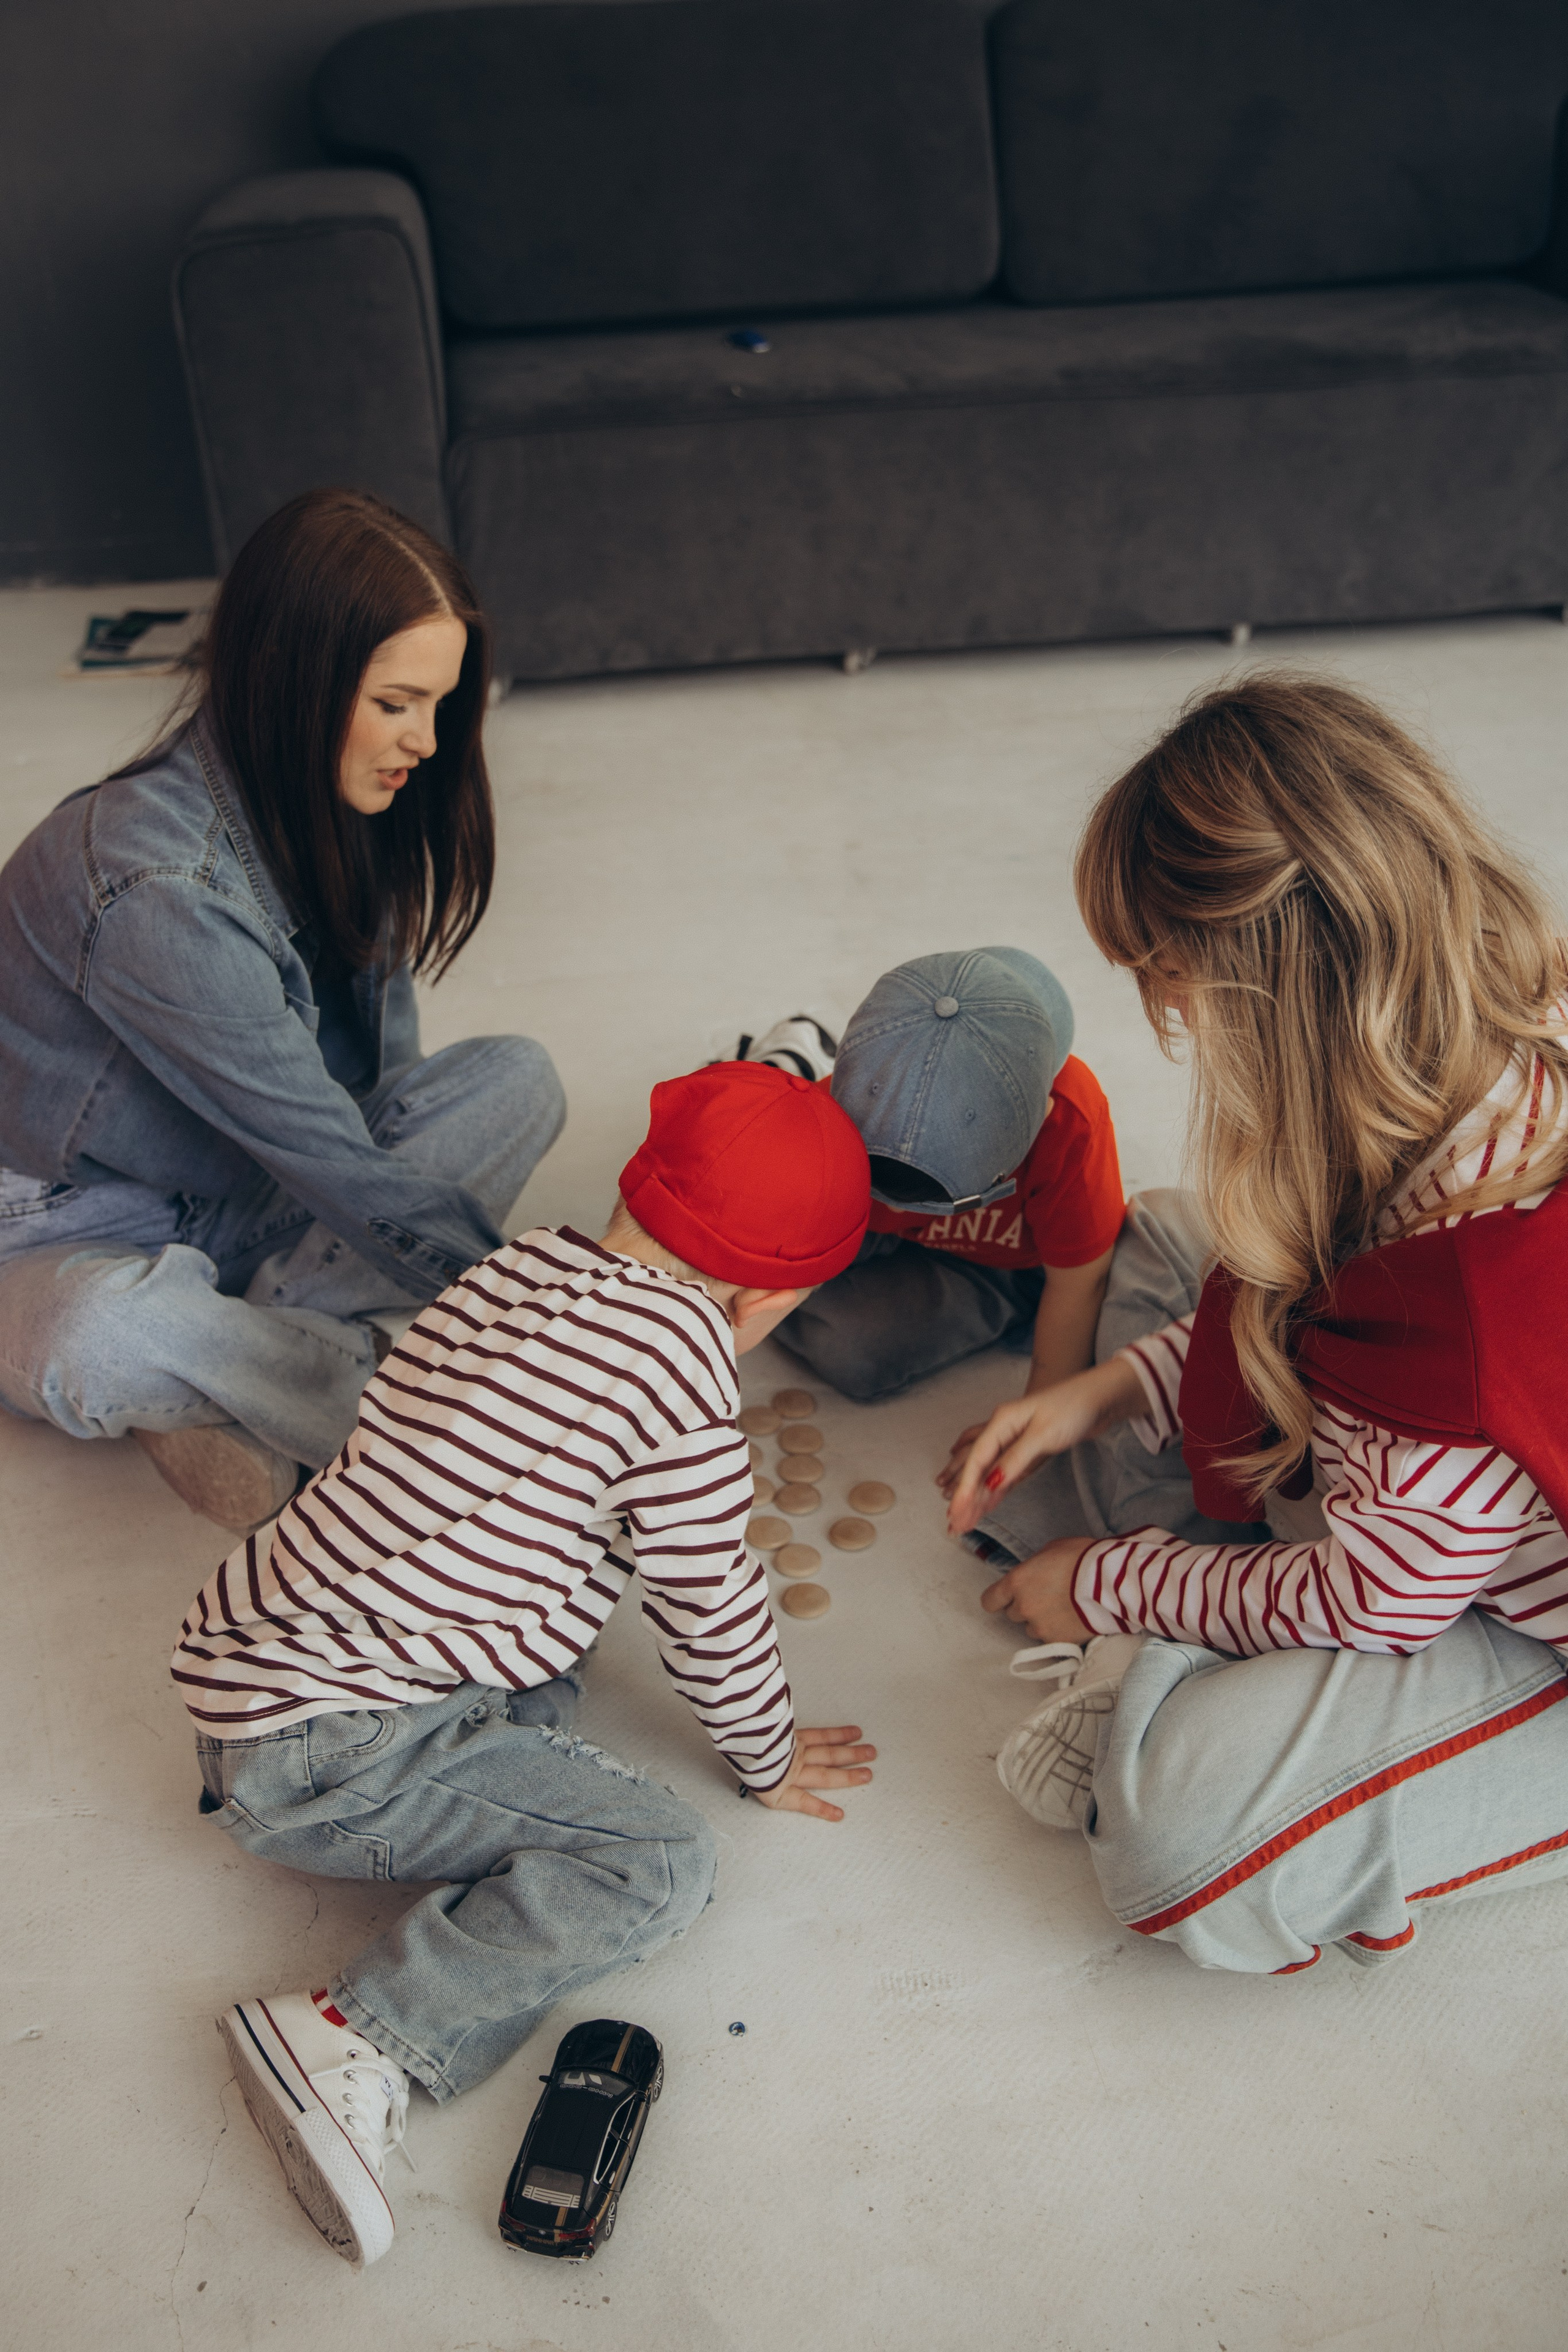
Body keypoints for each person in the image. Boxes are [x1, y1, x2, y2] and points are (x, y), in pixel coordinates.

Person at [172, 1061, 876, 2267]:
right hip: (330, 1749)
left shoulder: (514, 1265)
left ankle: (437, 1813)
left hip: (257, 1661)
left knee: (548, 1673)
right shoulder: (682, 1376)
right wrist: (760, 1755)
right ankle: (357, 2031)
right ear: (763, 1306)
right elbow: (708, 1597)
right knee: (656, 1860)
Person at [947, 673, 1568, 1978]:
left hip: (1472, 1591)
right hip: (1431, 1479)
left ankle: (1155, 1653)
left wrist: (1105, 1581)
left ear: (1259, 1002)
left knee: (1179, 1842)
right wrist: (1113, 1386)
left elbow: (1370, 1600)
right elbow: (1296, 1288)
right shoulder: (1451, 1061)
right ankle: (1188, 1568)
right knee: (1175, 1241)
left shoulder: (1460, 1300)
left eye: (1163, 985)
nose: (1158, 1021)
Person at [0, 488, 564, 1531]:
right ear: (292, 683)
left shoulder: (354, 808)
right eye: (396, 703)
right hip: (63, 1228)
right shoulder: (153, 886)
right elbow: (338, 1162)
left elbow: (373, 1103)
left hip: (246, 1183)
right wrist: (537, 1330)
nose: (427, 741)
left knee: (516, 1079)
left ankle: (249, 1376)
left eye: (438, 705)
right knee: (96, 1337)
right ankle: (371, 1394)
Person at [775, 949, 1126, 1414]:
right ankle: (784, 1066)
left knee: (854, 1352)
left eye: (943, 1198)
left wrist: (1040, 1413)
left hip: (996, 1267)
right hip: (861, 1228)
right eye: (879, 1179)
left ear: (1038, 1120)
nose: (903, 1211)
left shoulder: (1072, 1125)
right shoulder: (840, 1104)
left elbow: (1081, 1284)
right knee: (753, 1268)